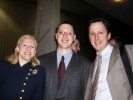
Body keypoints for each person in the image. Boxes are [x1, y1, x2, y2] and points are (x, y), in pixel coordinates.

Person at [39, 21, 91, 100]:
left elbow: (86, 95)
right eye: (61, 32)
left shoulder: (85, 65)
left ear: (74, 37)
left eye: (69, 33)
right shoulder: (41, 61)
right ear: (56, 36)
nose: (65, 36)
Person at [84, 17, 133, 100]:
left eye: (100, 32)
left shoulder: (127, 51)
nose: (96, 37)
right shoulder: (92, 65)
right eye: (92, 33)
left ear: (108, 35)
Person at [0, 34, 45, 100]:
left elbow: (38, 97)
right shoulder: (2, 67)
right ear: (17, 48)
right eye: (24, 45)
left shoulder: (39, 71)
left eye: (32, 47)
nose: (28, 48)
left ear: (35, 51)